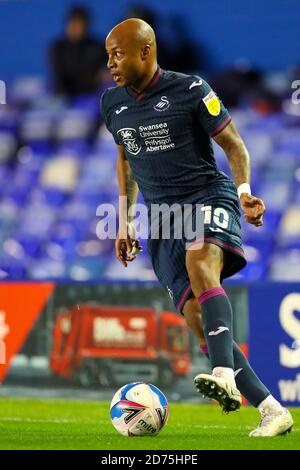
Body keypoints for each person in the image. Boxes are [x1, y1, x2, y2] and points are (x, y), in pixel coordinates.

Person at [101, 18, 293, 437]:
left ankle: (222, 373)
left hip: (207, 198)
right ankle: (272, 409)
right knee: (194, 319)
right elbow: (126, 159)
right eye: (108, 55)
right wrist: (124, 217)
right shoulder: (111, 103)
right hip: (164, 220)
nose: (111, 63)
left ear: (146, 51)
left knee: (200, 262)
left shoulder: (190, 89)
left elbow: (233, 143)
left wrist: (244, 190)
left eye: (118, 53)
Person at [50, 6, 106, 97]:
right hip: (66, 98)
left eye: (81, 25)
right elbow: (60, 79)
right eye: (74, 24)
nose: (77, 28)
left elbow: (107, 72)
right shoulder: (58, 48)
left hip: (94, 96)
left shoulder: (97, 46)